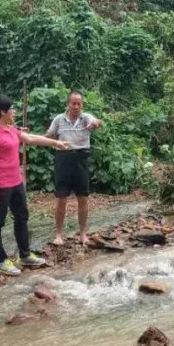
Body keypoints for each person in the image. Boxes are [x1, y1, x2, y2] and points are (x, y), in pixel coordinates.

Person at [0, 94, 68, 276]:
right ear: (3, 112)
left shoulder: (11, 129)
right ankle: (1, 261)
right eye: (12, 109)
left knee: (22, 218)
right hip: (1, 186)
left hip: (16, 183)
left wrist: (56, 143)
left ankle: (25, 255)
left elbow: (31, 139)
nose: (14, 112)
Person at [46, 90, 103, 245]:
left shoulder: (86, 118)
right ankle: (58, 234)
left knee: (83, 197)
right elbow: (49, 135)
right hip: (63, 159)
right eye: (73, 103)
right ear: (68, 104)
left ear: (82, 104)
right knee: (61, 198)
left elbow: (97, 122)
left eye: (79, 103)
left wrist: (95, 123)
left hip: (81, 159)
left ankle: (83, 234)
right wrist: (31, 137)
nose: (76, 106)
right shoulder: (59, 119)